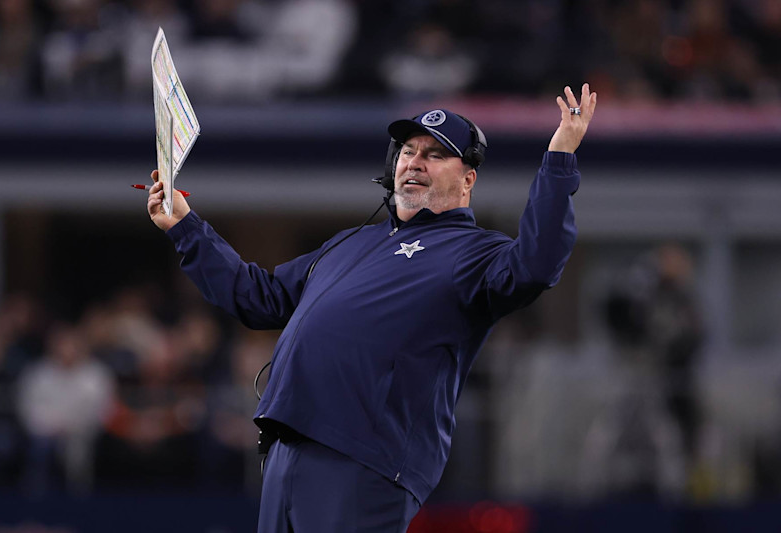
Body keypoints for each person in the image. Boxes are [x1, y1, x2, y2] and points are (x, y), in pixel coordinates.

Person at [146, 84, 597, 532]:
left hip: (364, 458)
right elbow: (257, 297)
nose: (414, 162)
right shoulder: (351, 242)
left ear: (468, 180)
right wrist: (186, 227)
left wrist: (559, 158)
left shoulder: (475, 252)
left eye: (435, 155)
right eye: (407, 151)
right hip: (287, 449)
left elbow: (536, 265)